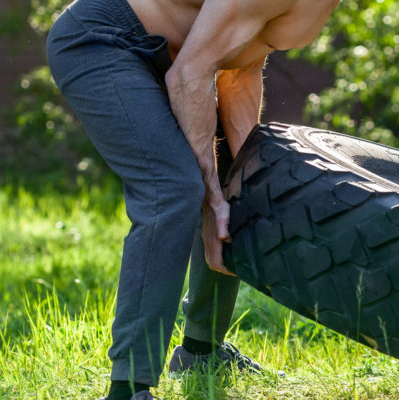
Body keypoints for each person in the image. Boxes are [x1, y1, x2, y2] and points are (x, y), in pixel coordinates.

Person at [46, 0, 338, 398]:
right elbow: (190, 73)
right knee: (173, 188)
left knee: (237, 189)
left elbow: (240, 70)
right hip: (103, 40)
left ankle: (201, 350)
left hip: (180, 62)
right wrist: (210, 196)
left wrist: (243, 178)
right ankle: (128, 385)